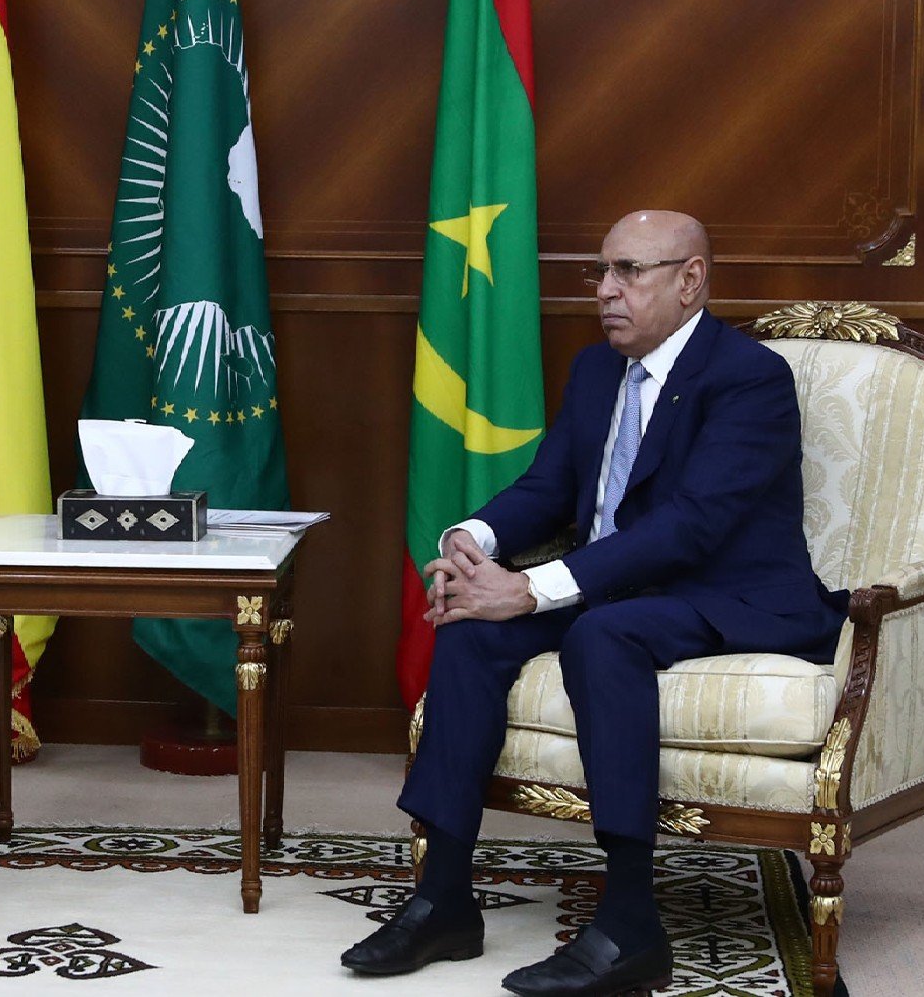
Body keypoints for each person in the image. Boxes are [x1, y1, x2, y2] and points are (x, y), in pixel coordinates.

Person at [341, 211, 848, 995]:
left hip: (726, 592)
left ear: (691, 279)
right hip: (615, 584)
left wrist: (535, 586)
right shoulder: (595, 371)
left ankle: (631, 920)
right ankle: (443, 897)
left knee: (604, 634)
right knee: (473, 631)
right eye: (601, 273)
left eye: (629, 272)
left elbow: (693, 526)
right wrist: (470, 540)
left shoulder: (748, 377)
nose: (607, 292)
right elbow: (549, 489)